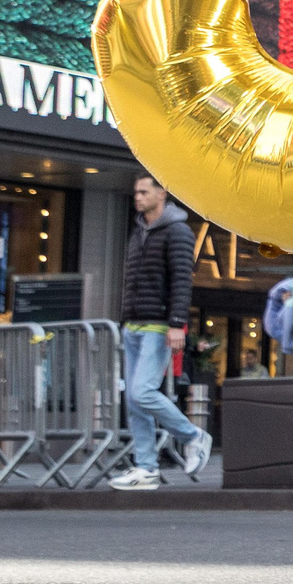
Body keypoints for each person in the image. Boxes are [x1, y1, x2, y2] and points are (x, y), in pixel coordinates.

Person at [111, 174, 212, 490]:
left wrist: (176, 323)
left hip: (157, 326)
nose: (137, 197)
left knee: (143, 391)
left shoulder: (178, 231)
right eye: (136, 192)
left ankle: (194, 436)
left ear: (162, 193)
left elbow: (183, 280)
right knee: (134, 400)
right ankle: (146, 468)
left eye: (144, 192)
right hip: (133, 326)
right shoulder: (139, 231)